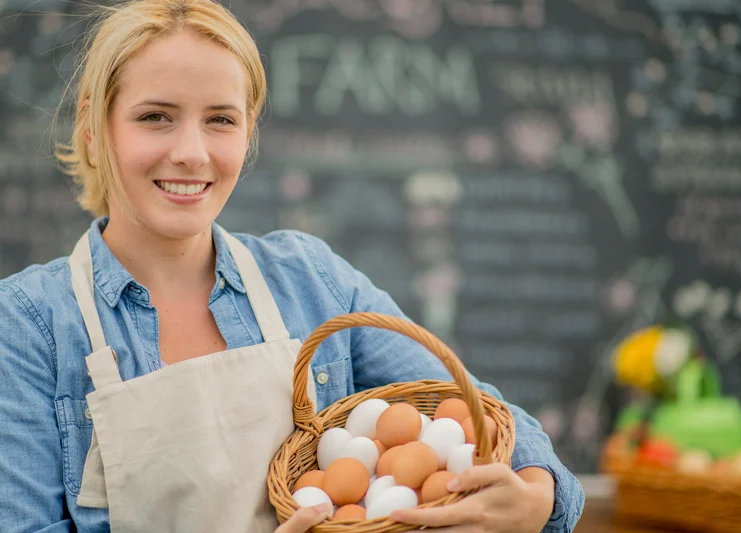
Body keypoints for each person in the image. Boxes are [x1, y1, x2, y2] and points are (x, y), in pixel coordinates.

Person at [0, 0, 585, 532]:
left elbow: (480, 411)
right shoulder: (30, 325)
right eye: (155, 116)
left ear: (249, 133)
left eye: (221, 119)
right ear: (94, 130)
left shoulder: (310, 279)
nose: (191, 151)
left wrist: (536, 496)